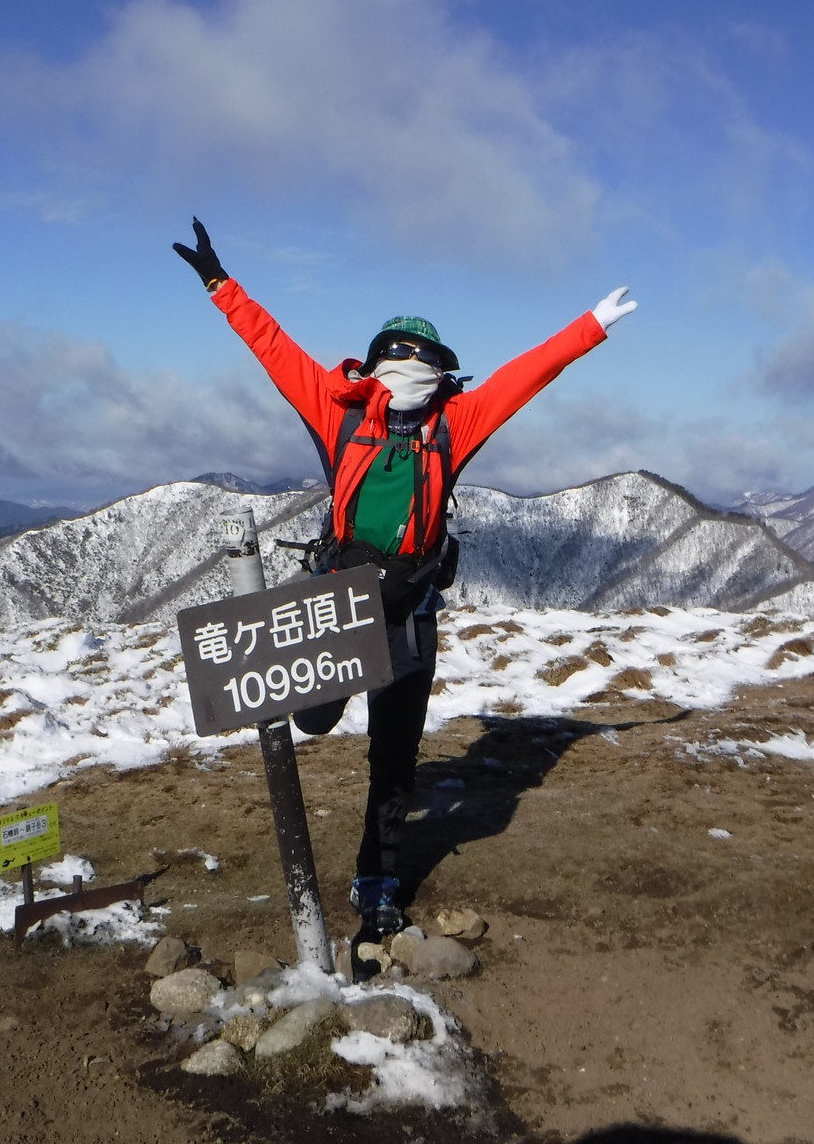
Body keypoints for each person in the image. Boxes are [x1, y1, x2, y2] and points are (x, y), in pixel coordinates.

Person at [174, 217, 636, 949]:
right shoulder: (343, 412)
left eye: (417, 362)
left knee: (393, 759)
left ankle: (377, 885)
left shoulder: (452, 420)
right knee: (317, 719)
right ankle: (362, 842)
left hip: (408, 612)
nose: (409, 373)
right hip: (341, 607)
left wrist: (590, 326)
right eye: (402, 359)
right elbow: (273, 347)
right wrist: (220, 285)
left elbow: (529, 372)